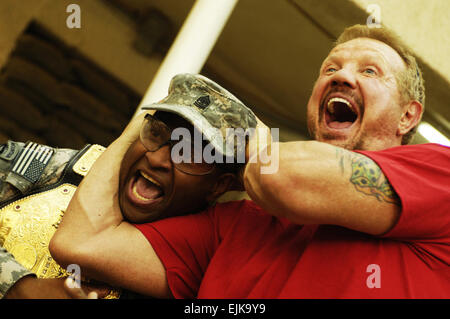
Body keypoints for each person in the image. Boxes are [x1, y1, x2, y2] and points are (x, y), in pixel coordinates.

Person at [51, 25, 449, 298]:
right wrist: (145, 124)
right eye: (330, 68)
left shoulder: (439, 172)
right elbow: (82, 243)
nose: (341, 77)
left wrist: (241, 131)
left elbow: (283, 179)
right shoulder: (241, 221)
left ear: (408, 117)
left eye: (369, 71)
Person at [0, 73, 256, 298]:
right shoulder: (60, 167)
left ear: (218, 186)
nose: (157, 158)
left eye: (188, 154)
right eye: (155, 133)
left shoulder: (192, 272)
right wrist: (17, 287)